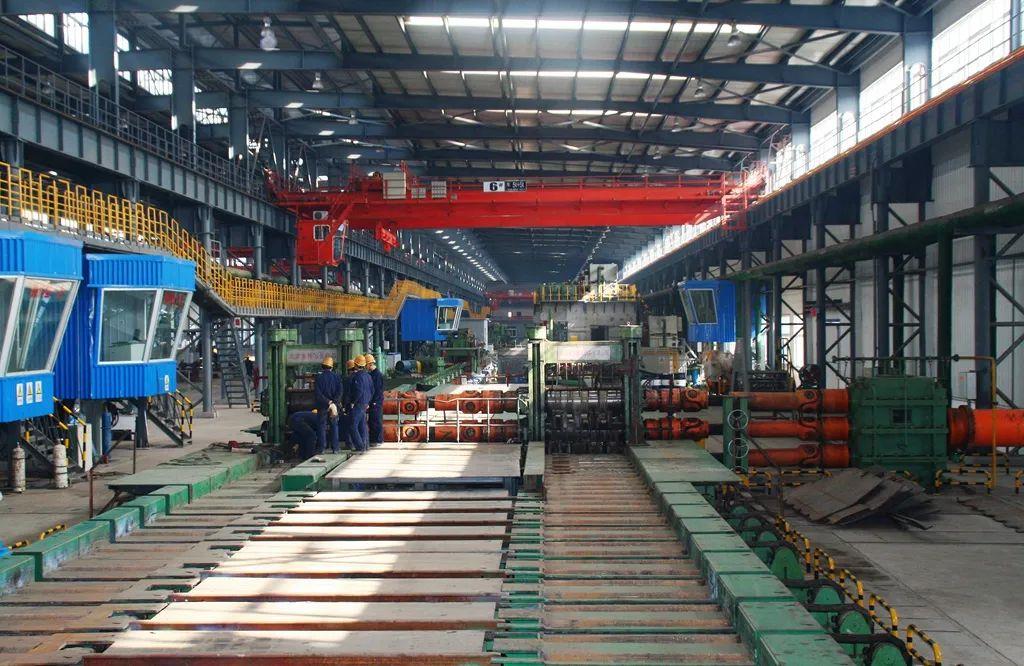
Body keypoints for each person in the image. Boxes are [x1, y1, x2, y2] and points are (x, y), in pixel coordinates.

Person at [313, 355, 342, 454]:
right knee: (334, 426)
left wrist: (327, 402)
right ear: (331, 367)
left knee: (321, 426)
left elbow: (318, 393)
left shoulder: (319, 378)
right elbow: (340, 392)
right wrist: (334, 402)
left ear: (323, 366)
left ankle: (322, 448)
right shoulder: (337, 377)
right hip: (334, 406)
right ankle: (335, 448)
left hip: (322, 406)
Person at [348, 354, 374, 452]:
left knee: (353, 426)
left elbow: (358, 391)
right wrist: (368, 402)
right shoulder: (368, 376)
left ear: (356, 365)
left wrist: (353, 402)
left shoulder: (357, 376)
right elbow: (372, 390)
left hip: (358, 404)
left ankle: (360, 446)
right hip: (365, 404)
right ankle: (365, 445)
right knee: (362, 425)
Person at [366, 354, 385, 447]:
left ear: (370, 364)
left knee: (376, 421)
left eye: (366, 365)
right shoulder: (371, 374)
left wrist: (373, 401)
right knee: (372, 421)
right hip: (373, 401)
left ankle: (378, 440)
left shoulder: (377, 375)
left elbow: (377, 390)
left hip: (376, 402)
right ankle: (373, 440)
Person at [340, 359, 357, 450]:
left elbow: (346, 394)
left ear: (348, 369)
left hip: (349, 405)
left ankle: (349, 443)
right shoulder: (360, 377)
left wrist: (344, 405)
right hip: (358, 404)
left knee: (348, 424)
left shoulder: (347, 379)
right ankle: (358, 443)